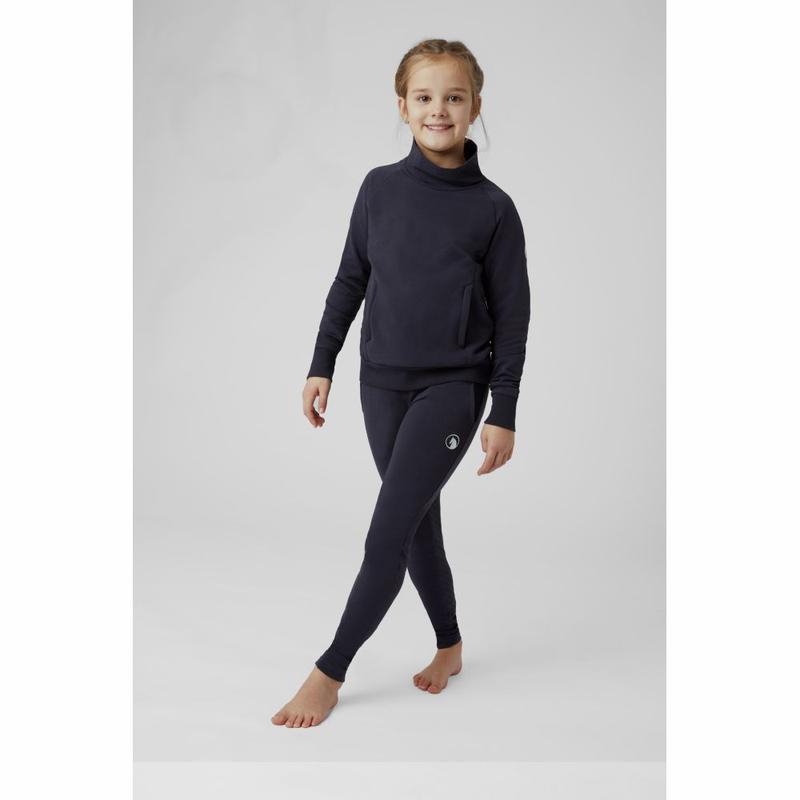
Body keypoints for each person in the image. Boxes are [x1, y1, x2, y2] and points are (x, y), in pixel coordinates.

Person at [272, 38, 531, 728]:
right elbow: (350, 279)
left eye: (454, 97)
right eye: (424, 97)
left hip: (453, 388)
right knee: (416, 528)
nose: (438, 109)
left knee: (385, 532)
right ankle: (450, 645)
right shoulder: (379, 188)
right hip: (380, 383)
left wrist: (503, 409)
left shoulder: (494, 209)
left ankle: (329, 672)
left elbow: (513, 318)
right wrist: (321, 363)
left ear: (475, 106)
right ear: (402, 106)